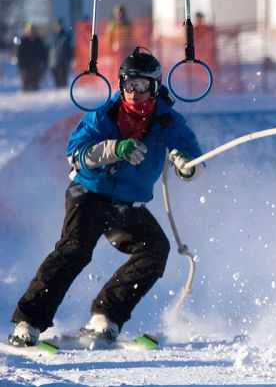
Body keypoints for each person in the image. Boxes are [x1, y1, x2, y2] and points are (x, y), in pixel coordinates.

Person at [8, 47, 205, 347]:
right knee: (76, 249)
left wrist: (186, 164)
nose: (135, 93)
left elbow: (192, 156)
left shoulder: (166, 121)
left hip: (126, 202)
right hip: (89, 192)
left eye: (143, 86)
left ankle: (106, 316)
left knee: (155, 248)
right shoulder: (105, 114)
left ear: (155, 88)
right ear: (121, 85)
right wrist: (115, 149)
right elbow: (75, 153)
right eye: (129, 85)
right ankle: (28, 322)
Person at [14, 22, 48, 92]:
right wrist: (21, 66)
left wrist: (44, 64)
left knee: (36, 87)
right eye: (29, 30)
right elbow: (19, 54)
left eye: (32, 29)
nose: (31, 31)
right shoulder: (23, 41)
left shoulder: (38, 41)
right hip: (26, 68)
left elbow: (43, 54)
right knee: (25, 88)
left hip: (36, 68)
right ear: (27, 31)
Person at [48, 18, 74, 89]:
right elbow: (48, 49)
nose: (58, 27)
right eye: (57, 25)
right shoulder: (52, 36)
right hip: (54, 62)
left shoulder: (66, 36)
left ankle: (63, 96)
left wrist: (71, 59)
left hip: (64, 62)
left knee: (63, 81)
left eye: (60, 25)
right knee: (57, 82)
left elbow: (70, 49)